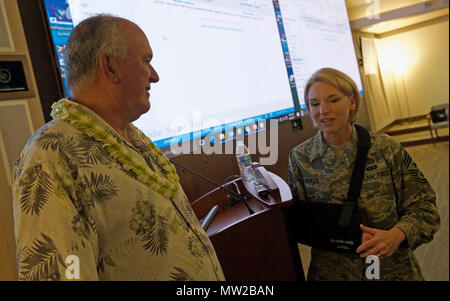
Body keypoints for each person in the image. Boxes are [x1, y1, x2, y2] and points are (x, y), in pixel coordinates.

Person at [12, 15, 225, 281]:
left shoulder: (131, 137)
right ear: (110, 67)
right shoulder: (50, 154)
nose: (155, 76)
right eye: (146, 60)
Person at [288, 67, 440, 281]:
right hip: (332, 274)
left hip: (390, 270)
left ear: (352, 102)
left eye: (333, 100)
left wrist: (397, 234)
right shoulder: (300, 159)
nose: (323, 110)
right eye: (315, 104)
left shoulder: (386, 148)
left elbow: (426, 208)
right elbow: (301, 223)